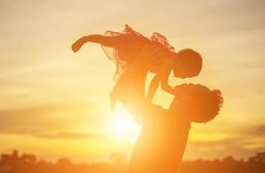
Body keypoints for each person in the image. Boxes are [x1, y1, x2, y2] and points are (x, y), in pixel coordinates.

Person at [115, 43, 223, 173]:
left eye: (195, 85)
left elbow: (125, 94)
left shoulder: (166, 121)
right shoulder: (178, 125)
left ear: (188, 99)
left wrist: (141, 61)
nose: (190, 82)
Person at [72, 25, 203, 110]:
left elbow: (164, 86)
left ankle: (116, 93)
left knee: (130, 76)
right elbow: (155, 82)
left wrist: (176, 92)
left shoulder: (169, 64)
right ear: (184, 63)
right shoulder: (170, 61)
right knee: (108, 41)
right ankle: (86, 39)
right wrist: (148, 101)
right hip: (135, 45)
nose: (183, 77)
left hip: (138, 58)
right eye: (186, 74)